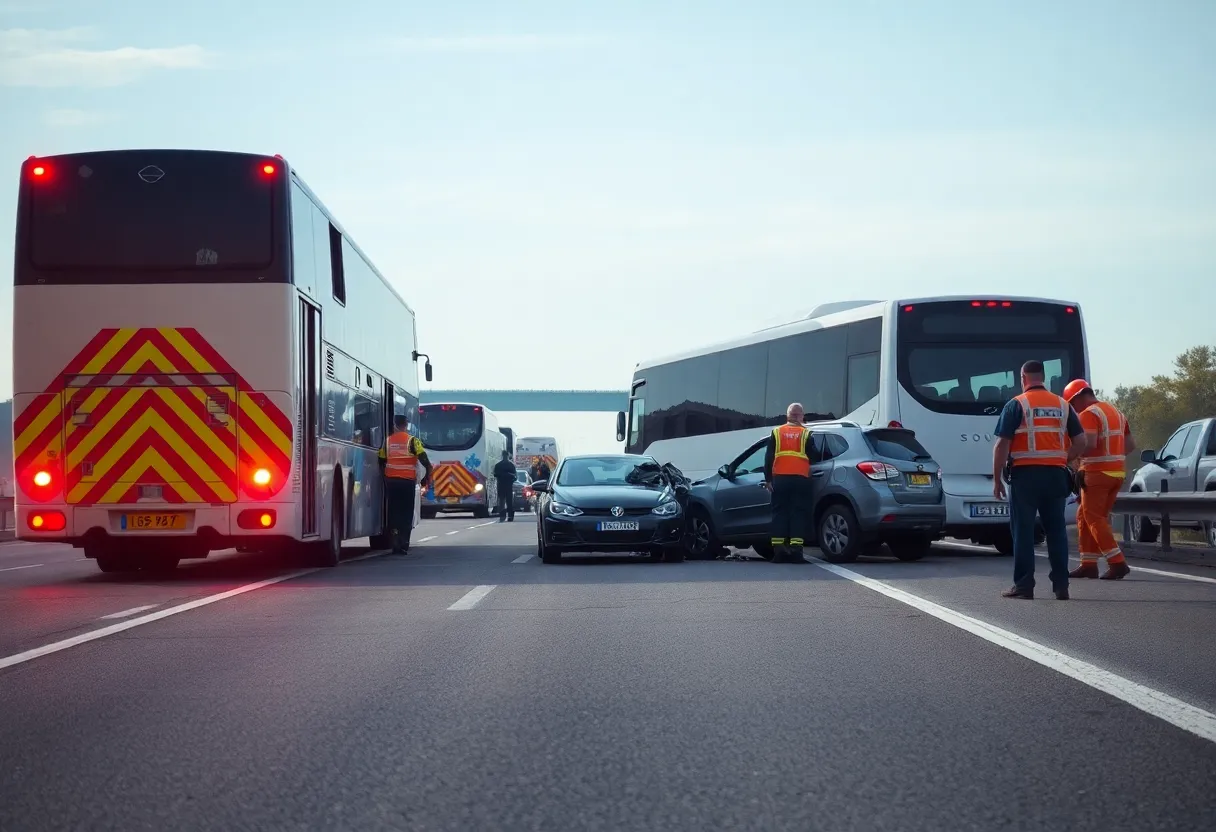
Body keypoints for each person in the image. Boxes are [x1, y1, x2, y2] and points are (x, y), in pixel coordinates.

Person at [992, 361, 1089, 600]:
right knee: (1056, 531)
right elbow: (1082, 441)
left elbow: (1002, 445)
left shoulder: (1017, 404)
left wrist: (996, 480)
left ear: (1023, 377)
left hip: (1025, 477)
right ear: (1043, 377)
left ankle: (1024, 586)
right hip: (1055, 476)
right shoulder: (1063, 405)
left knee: (1023, 531)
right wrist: (1063, 458)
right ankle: (1061, 586)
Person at [1062, 379, 1135, 581]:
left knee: (1094, 518)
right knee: (1084, 516)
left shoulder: (1089, 414)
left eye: (1072, 404)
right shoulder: (1116, 413)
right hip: (1116, 474)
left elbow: (1089, 442)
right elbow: (1130, 445)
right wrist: (1111, 457)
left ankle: (1117, 562)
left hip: (1096, 473)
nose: (1073, 409)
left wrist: (1071, 457)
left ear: (1079, 397)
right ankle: (1088, 564)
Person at [762, 402, 813, 564]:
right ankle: (796, 553)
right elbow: (816, 455)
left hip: (780, 479)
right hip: (800, 479)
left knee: (779, 514)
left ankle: (779, 552)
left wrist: (768, 479)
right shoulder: (806, 433)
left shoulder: (777, 432)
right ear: (801, 416)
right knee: (798, 513)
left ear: (788, 416)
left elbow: (768, 457)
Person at [379, 414, 433, 553]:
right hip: (407, 482)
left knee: (393, 512)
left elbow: (381, 460)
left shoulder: (388, 441)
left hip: (391, 482)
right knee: (406, 512)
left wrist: (385, 477)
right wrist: (426, 477)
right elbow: (425, 461)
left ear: (394, 424)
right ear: (406, 424)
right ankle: (404, 543)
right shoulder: (413, 441)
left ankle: (395, 541)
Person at [493, 450, 517, 522]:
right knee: (507, 501)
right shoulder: (511, 465)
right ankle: (508, 516)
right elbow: (515, 477)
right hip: (507, 486)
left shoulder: (498, 465)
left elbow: (495, 474)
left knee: (503, 501)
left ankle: (504, 516)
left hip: (502, 485)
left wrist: (503, 476)